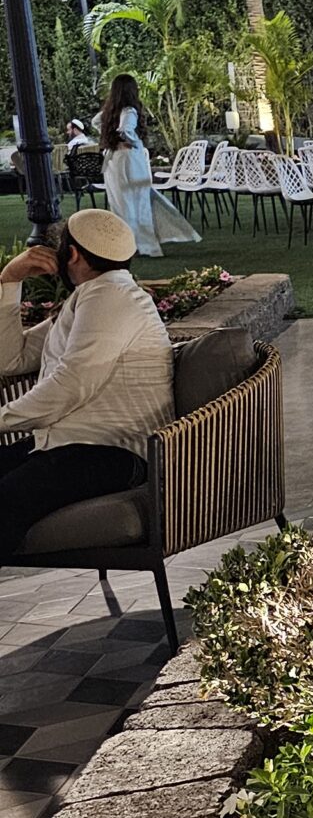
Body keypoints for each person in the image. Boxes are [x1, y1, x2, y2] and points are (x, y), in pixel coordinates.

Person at [0, 209, 174, 562]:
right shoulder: (93, 297)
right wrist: (9, 280)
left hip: (114, 452)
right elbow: (11, 360)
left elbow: (70, 386)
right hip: (68, 445)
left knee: (6, 500)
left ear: (72, 254)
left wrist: (2, 418)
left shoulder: (111, 298)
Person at [97, 73, 199, 258]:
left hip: (113, 160)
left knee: (120, 203)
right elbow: (126, 129)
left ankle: (126, 244)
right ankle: (142, 245)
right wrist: (135, 141)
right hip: (129, 160)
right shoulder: (129, 110)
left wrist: (111, 137)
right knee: (138, 201)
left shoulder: (110, 111)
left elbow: (96, 122)